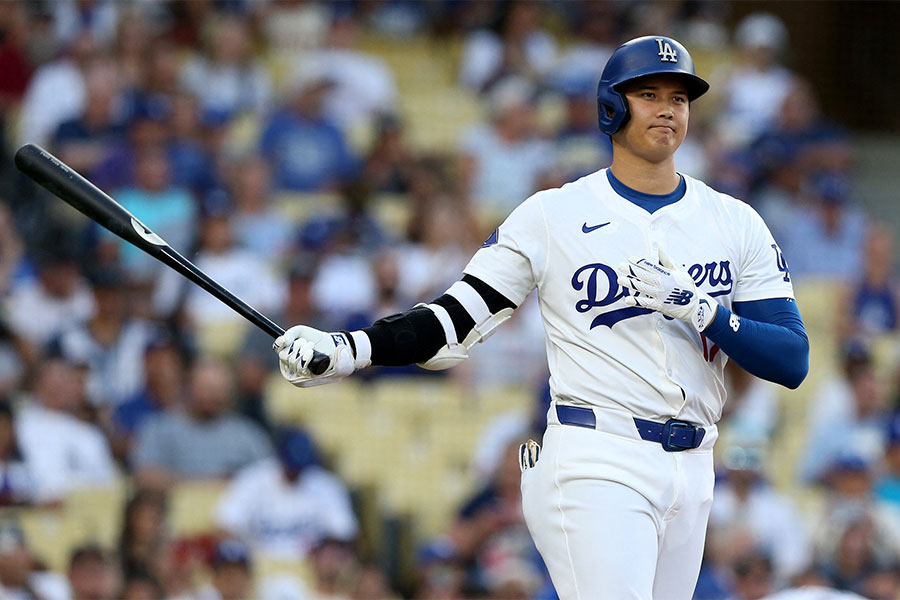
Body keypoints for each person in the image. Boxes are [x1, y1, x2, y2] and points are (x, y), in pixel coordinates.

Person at [274, 36, 809, 599]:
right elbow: (455, 318)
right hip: (597, 455)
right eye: (649, 94)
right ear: (612, 106)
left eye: (679, 97)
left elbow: (791, 358)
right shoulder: (554, 214)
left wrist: (705, 311)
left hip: (696, 463)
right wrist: (351, 348)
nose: (667, 109)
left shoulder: (735, 221)